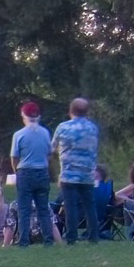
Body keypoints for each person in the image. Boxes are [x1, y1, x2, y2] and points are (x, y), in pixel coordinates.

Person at [51, 97, 100, 245]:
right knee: (89, 206)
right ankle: (94, 236)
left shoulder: (63, 127)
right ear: (86, 111)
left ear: (70, 111)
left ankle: (71, 237)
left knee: (70, 206)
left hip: (69, 174)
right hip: (87, 173)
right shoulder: (92, 128)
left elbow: (52, 147)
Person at [10, 101, 53, 247]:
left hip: (25, 172)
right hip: (42, 172)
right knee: (43, 209)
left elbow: (14, 157)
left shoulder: (19, 135)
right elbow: (49, 154)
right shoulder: (45, 133)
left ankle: (24, 241)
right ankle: (48, 240)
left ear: (24, 116)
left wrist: (17, 171)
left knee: (24, 209)